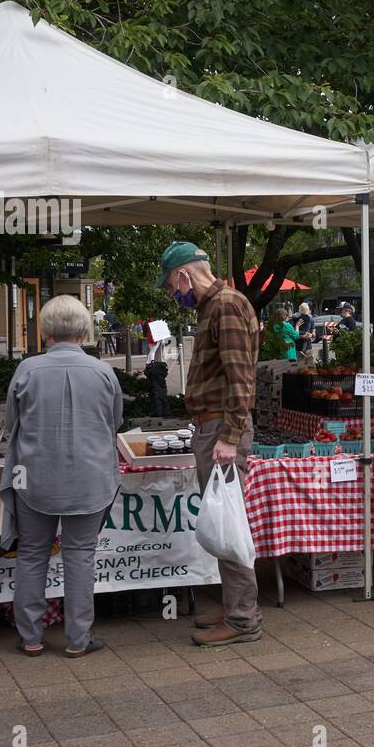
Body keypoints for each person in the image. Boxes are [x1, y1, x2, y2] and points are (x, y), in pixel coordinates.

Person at [0, 296, 122, 657]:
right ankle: (78, 639)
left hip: (33, 477)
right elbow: (113, 425)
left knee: (32, 554)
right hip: (89, 479)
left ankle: (31, 637)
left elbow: (11, 424)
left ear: (46, 329)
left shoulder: (27, 370)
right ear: (84, 330)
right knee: (81, 555)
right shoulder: (104, 372)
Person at [156, 241, 263, 645]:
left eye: (171, 285)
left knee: (228, 521)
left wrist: (230, 437)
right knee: (223, 519)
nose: (174, 293)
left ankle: (242, 619)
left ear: (183, 274)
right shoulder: (217, 306)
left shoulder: (225, 305)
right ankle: (238, 606)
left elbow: (241, 379)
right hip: (216, 426)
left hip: (220, 427)